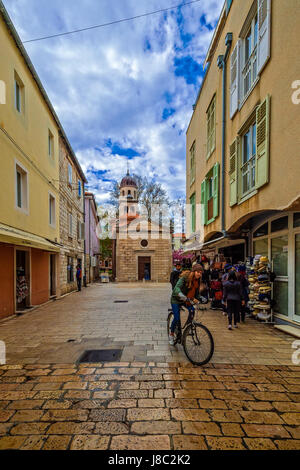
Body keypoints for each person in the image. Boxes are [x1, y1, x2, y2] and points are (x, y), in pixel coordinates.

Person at [169, 264, 204, 345]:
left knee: (192, 310)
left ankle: (188, 326)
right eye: (198, 272)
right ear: (194, 271)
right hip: (176, 299)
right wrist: (181, 295)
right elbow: (177, 288)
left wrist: (201, 298)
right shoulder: (185, 277)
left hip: (187, 299)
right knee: (177, 318)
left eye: (201, 273)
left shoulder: (197, 280)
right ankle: (171, 334)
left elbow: (197, 294)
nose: (200, 274)